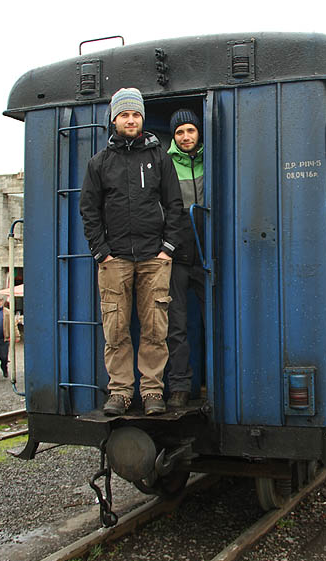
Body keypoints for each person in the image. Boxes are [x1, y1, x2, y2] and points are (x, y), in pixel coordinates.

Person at [79, 87, 184, 416]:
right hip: (115, 260)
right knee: (115, 328)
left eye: (136, 114)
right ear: (114, 119)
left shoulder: (159, 158)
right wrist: (101, 252)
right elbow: (89, 211)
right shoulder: (99, 163)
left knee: (155, 328)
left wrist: (167, 249)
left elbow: (175, 206)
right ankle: (121, 392)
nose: (130, 120)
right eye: (124, 114)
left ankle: (152, 391)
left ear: (142, 118)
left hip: (154, 258)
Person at [165, 108, 206, 409]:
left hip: (207, 254)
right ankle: (179, 386)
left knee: (215, 321)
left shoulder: (211, 158)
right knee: (176, 325)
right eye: (180, 132)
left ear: (198, 133)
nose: (186, 136)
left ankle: (215, 381)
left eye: (190, 130)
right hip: (177, 254)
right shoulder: (166, 164)